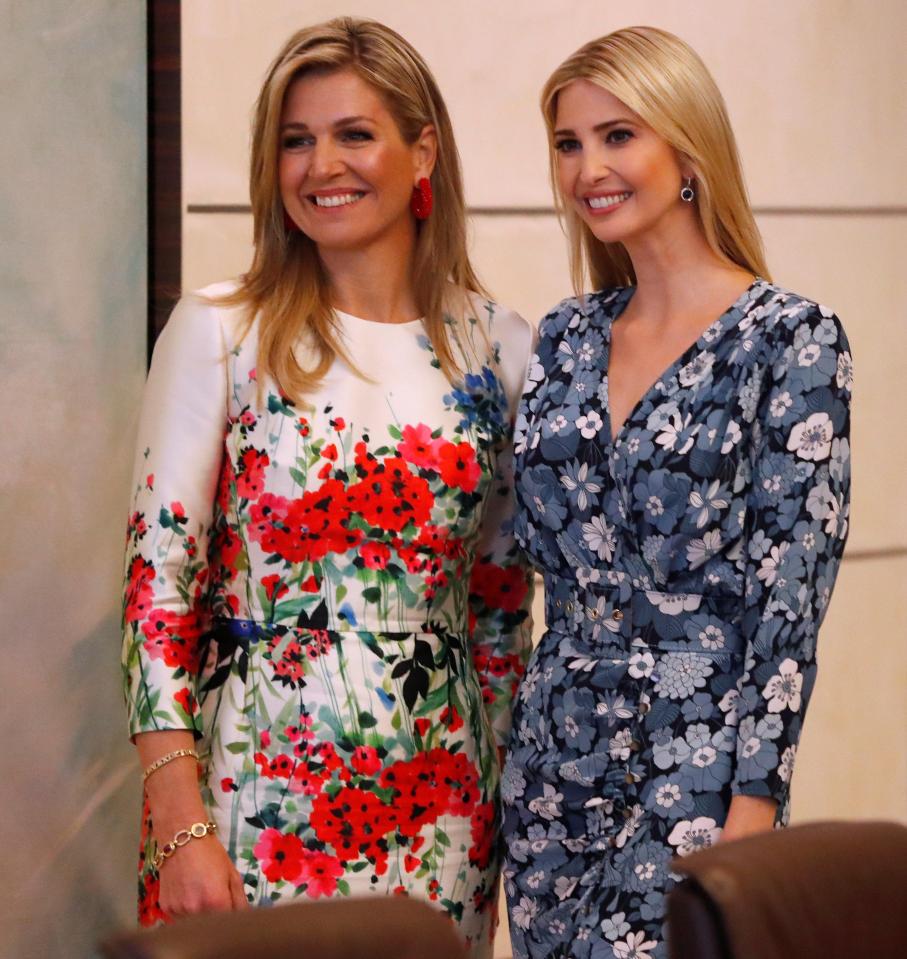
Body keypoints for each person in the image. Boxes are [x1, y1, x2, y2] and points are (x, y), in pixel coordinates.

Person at [121, 18, 534, 957]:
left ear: (421, 149)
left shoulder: (500, 348)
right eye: (295, 140)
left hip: (444, 807)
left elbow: (503, 609)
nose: (321, 165)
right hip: (246, 798)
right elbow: (156, 590)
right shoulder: (221, 329)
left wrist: (501, 815)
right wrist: (179, 818)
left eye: (354, 134)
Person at [502, 26, 851, 959]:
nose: (588, 169)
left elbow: (789, 603)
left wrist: (752, 805)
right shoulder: (564, 336)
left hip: (696, 764)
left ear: (685, 149)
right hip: (550, 763)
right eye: (568, 144)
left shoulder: (789, 338)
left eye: (618, 135)